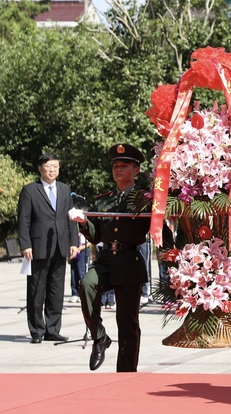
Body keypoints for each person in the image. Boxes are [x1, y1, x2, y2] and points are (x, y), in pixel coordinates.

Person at [69, 144, 151, 371]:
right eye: (115, 165)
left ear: (136, 170)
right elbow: (96, 236)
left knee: (127, 323)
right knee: (86, 284)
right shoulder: (104, 199)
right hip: (106, 259)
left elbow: (156, 227)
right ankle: (99, 336)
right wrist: (84, 223)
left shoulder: (144, 198)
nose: (118, 169)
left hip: (129, 261)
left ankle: (126, 372)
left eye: (124, 166)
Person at [17, 153, 79, 343]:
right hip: (37, 247)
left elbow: (71, 219)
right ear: (39, 168)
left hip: (60, 245)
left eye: (55, 166)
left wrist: (74, 242)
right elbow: (23, 219)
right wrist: (25, 244)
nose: (52, 170)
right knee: (36, 290)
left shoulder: (64, 189)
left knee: (56, 290)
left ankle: (52, 328)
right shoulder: (30, 190)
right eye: (48, 166)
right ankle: (37, 330)